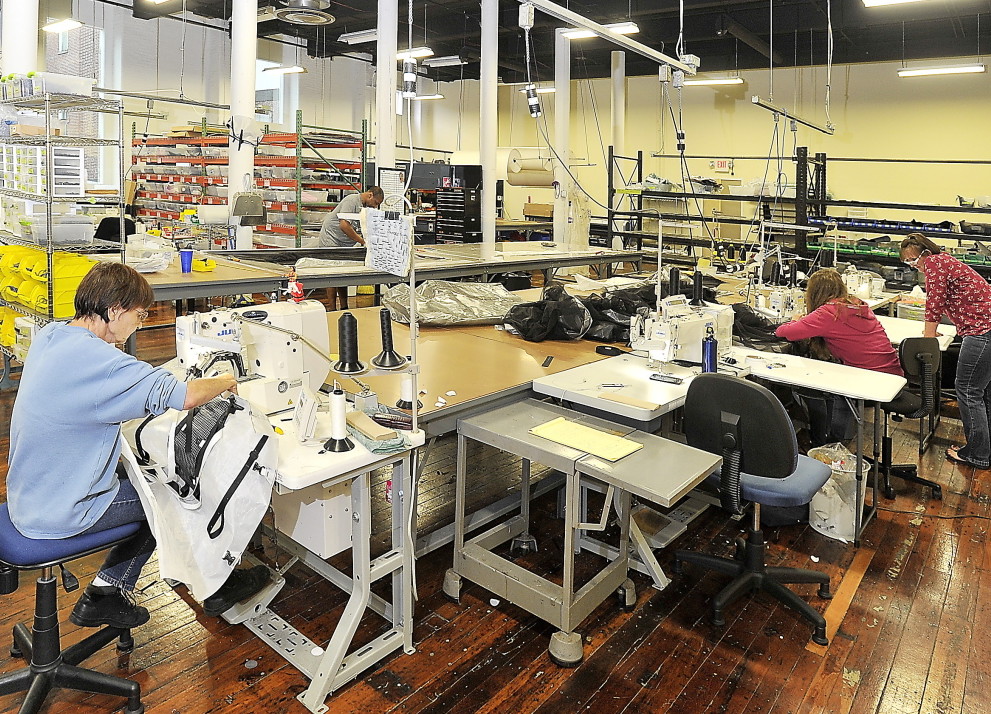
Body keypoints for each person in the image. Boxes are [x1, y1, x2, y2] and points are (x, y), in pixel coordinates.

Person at [6, 262, 268, 630]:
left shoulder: (53, 334)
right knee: (167, 496)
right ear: (114, 310)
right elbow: (187, 395)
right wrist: (225, 379)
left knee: (143, 478)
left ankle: (112, 588)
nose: (141, 324)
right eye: (140, 315)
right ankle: (175, 589)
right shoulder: (106, 364)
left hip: (26, 494)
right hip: (58, 513)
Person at [775, 268, 904, 444]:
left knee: (817, 384)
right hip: (893, 375)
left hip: (872, 380)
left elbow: (784, 332)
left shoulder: (828, 313)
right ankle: (837, 434)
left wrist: (797, 320)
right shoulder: (858, 305)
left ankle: (833, 441)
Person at [900, 232, 991, 469]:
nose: (913, 265)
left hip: (982, 330)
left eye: (913, 259)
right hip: (985, 327)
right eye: (907, 262)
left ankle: (977, 454)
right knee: (984, 393)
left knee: (968, 391)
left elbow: (935, 301)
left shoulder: (934, 263)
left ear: (925, 253)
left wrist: (928, 336)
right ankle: (985, 449)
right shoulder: (946, 261)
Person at [319, 187, 385, 310]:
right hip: (331, 238)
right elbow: (344, 225)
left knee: (342, 273)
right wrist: (362, 241)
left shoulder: (366, 208)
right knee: (331, 274)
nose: (375, 207)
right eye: (376, 203)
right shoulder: (352, 201)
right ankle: (332, 309)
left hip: (344, 242)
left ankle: (344, 307)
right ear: (370, 195)